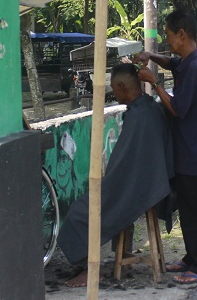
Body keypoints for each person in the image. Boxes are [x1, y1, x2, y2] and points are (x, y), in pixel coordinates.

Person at [57, 63, 174, 287]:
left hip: (135, 186)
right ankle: (112, 256)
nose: (113, 93)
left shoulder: (140, 115)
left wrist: (110, 183)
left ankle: (88, 267)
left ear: (121, 87)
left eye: (113, 88)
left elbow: (125, 166)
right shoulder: (147, 108)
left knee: (78, 213)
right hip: (144, 183)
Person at [134, 10, 197, 285]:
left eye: (169, 36)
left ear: (182, 34)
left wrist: (154, 82)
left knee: (196, 210)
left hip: (193, 152)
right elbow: (172, 63)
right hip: (187, 149)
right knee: (188, 209)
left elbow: (177, 109)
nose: (167, 41)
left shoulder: (194, 67)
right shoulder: (189, 60)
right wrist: (151, 56)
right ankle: (192, 257)